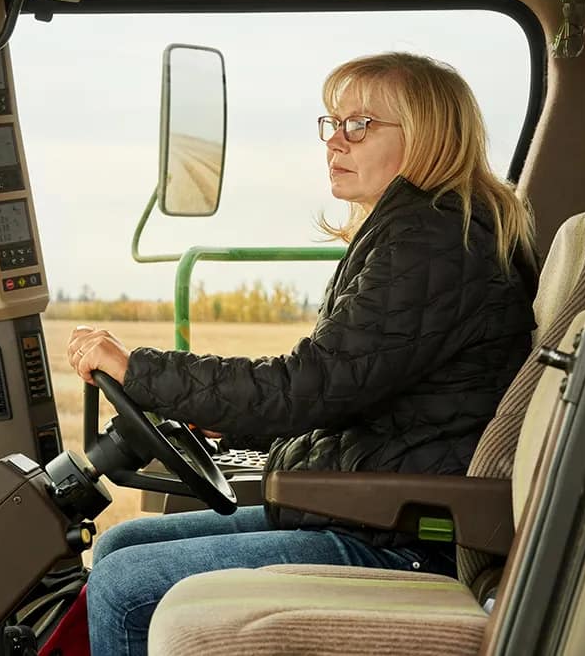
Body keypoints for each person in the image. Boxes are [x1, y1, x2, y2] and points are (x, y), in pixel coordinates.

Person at [68, 52, 538, 656]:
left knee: (124, 587)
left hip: (405, 535)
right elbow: (349, 388)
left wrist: (142, 371)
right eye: (332, 124)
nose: (335, 142)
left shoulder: (434, 241)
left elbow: (306, 388)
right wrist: (227, 416)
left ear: (427, 138)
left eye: (360, 126)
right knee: (118, 547)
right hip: (379, 505)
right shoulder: (417, 232)